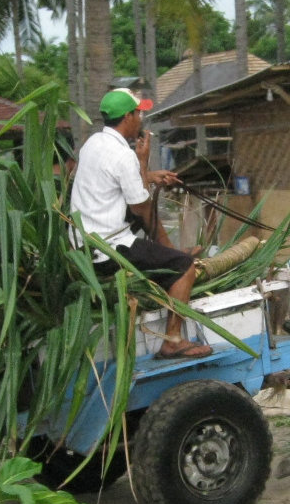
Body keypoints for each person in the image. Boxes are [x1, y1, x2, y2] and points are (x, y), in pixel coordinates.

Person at [69, 87, 212, 358]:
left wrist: (148, 174)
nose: (141, 119)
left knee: (145, 222)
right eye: (138, 113)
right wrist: (142, 163)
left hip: (84, 244)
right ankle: (173, 341)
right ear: (128, 117)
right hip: (109, 249)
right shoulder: (124, 155)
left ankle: (168, 254)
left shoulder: (93, 144)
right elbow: (141, 206)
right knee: (184, 267)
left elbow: (114, 181)